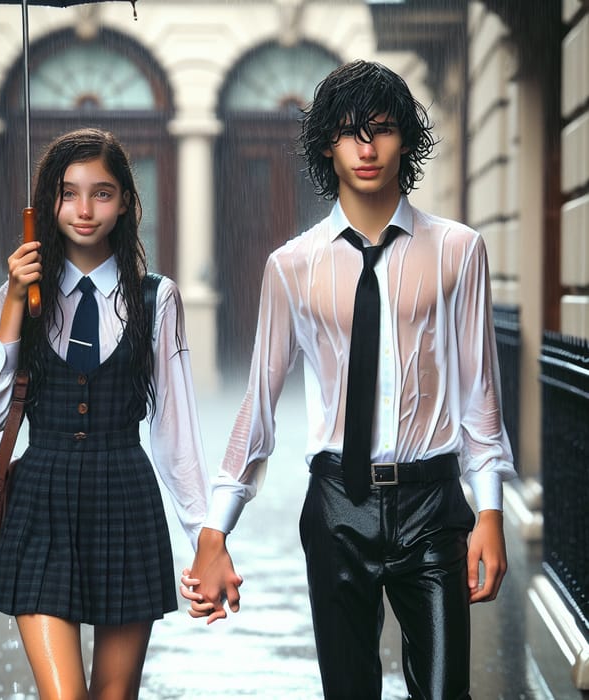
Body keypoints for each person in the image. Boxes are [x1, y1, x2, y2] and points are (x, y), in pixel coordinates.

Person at [181, 60, 516, 699]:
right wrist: (214, 532)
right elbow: (260, 404)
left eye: (383, 129)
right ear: (326, 145)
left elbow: (479, 393)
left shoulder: (458, 250)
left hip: (433, 506)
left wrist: (491, 512)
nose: (367, 148)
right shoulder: (291, 266)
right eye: (348, 131)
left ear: (406, 140)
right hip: (337, 507)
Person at [0, 128, 209, 700]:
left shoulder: (157, 298)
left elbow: (175, 431)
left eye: (101, 193)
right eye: (67, 192)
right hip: (40, 500)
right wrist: (11, 303)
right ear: (46, 204)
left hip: (124, 497)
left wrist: (206, 538)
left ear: (126, 201)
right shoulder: (20, 295)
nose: (83, 210)